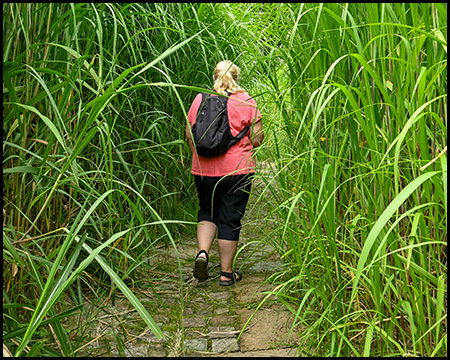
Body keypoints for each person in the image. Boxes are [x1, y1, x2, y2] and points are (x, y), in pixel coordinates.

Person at [186, 60, 264, 286]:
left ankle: (202, 253)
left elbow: (190, 136)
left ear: (214, 76)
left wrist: (200, 159)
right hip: (237, 169)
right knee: (230, 217)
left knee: (207, 210)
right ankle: (226, 274)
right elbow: (257, 138)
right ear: (237, 77)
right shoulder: (246, 101)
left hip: (203, 169)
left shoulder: (200, 99)